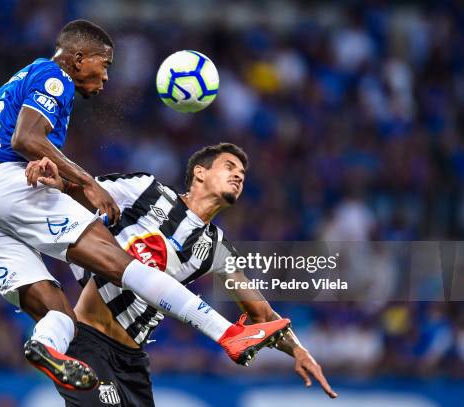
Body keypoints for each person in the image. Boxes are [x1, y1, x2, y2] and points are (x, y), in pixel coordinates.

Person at [0, 20, 290, 392]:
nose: (105, 77)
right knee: (121, 262)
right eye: (105, 64)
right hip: (11, 184)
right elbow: (26, 137)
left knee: (60, 316)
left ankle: (43, 346)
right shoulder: (54, 76)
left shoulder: (5, 91)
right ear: (79, 58)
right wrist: (87, 183)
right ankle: (228, 334)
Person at [25, 143, 338, 406]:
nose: (238, 175)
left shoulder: (217, 249)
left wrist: (298, 350)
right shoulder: (146, 190)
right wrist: (61, 183)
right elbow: (88, 190)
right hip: (89, 340)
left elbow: (262, 313)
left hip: (132, 361)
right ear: (199, 173)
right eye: (229, 166)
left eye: (242, 174)